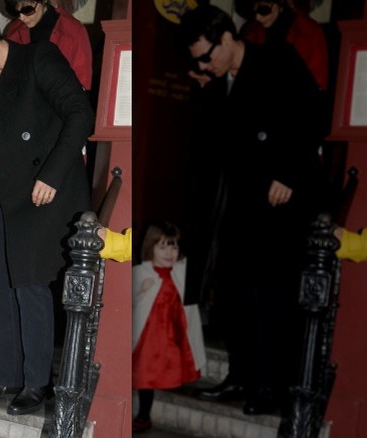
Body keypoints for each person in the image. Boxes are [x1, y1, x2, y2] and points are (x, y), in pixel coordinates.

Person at [0, 5, 94, 416]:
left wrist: (53, 174)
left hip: (42, 192)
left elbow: (80, 114)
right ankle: (6, 375)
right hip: (1, 193)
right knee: (1, 286)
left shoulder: (38, 58)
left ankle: (36, 383)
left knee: (30, 286)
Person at [178, 4, 325, 416]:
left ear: (227, 38)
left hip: (281, 201)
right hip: (242, 202)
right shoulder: (224, 79)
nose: (204, 63)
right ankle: (241, 377)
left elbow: (314, 114)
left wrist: (290, 173)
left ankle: (273, 387)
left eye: (207, 55)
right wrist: (207, 84)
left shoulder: (276, 59)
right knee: (236, 293)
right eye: (198, 59)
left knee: (271, 298)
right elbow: (221, 141)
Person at [131, 222, 206, 433]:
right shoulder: (141, 272)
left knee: (172, 365)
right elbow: (128, 303)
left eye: (173, 246)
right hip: (148, 335)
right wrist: (141, 291)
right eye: (162, 246)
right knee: (145, 373)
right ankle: (144, 415)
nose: (169, 252)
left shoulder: (181, 271)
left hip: (175, 332)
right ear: (150, 247)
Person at [0, 0, 91, 92]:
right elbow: (4, 75)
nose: (22, 18)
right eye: (15, 12)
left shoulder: (73, 30)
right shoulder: (14, 29)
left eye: (28, 10)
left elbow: (82, 85)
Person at [238, 0, 328, 91]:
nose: (258, 17)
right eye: (253, 11)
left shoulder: (308, 31)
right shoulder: (251, 33)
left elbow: (318, 84)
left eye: (263, 10)